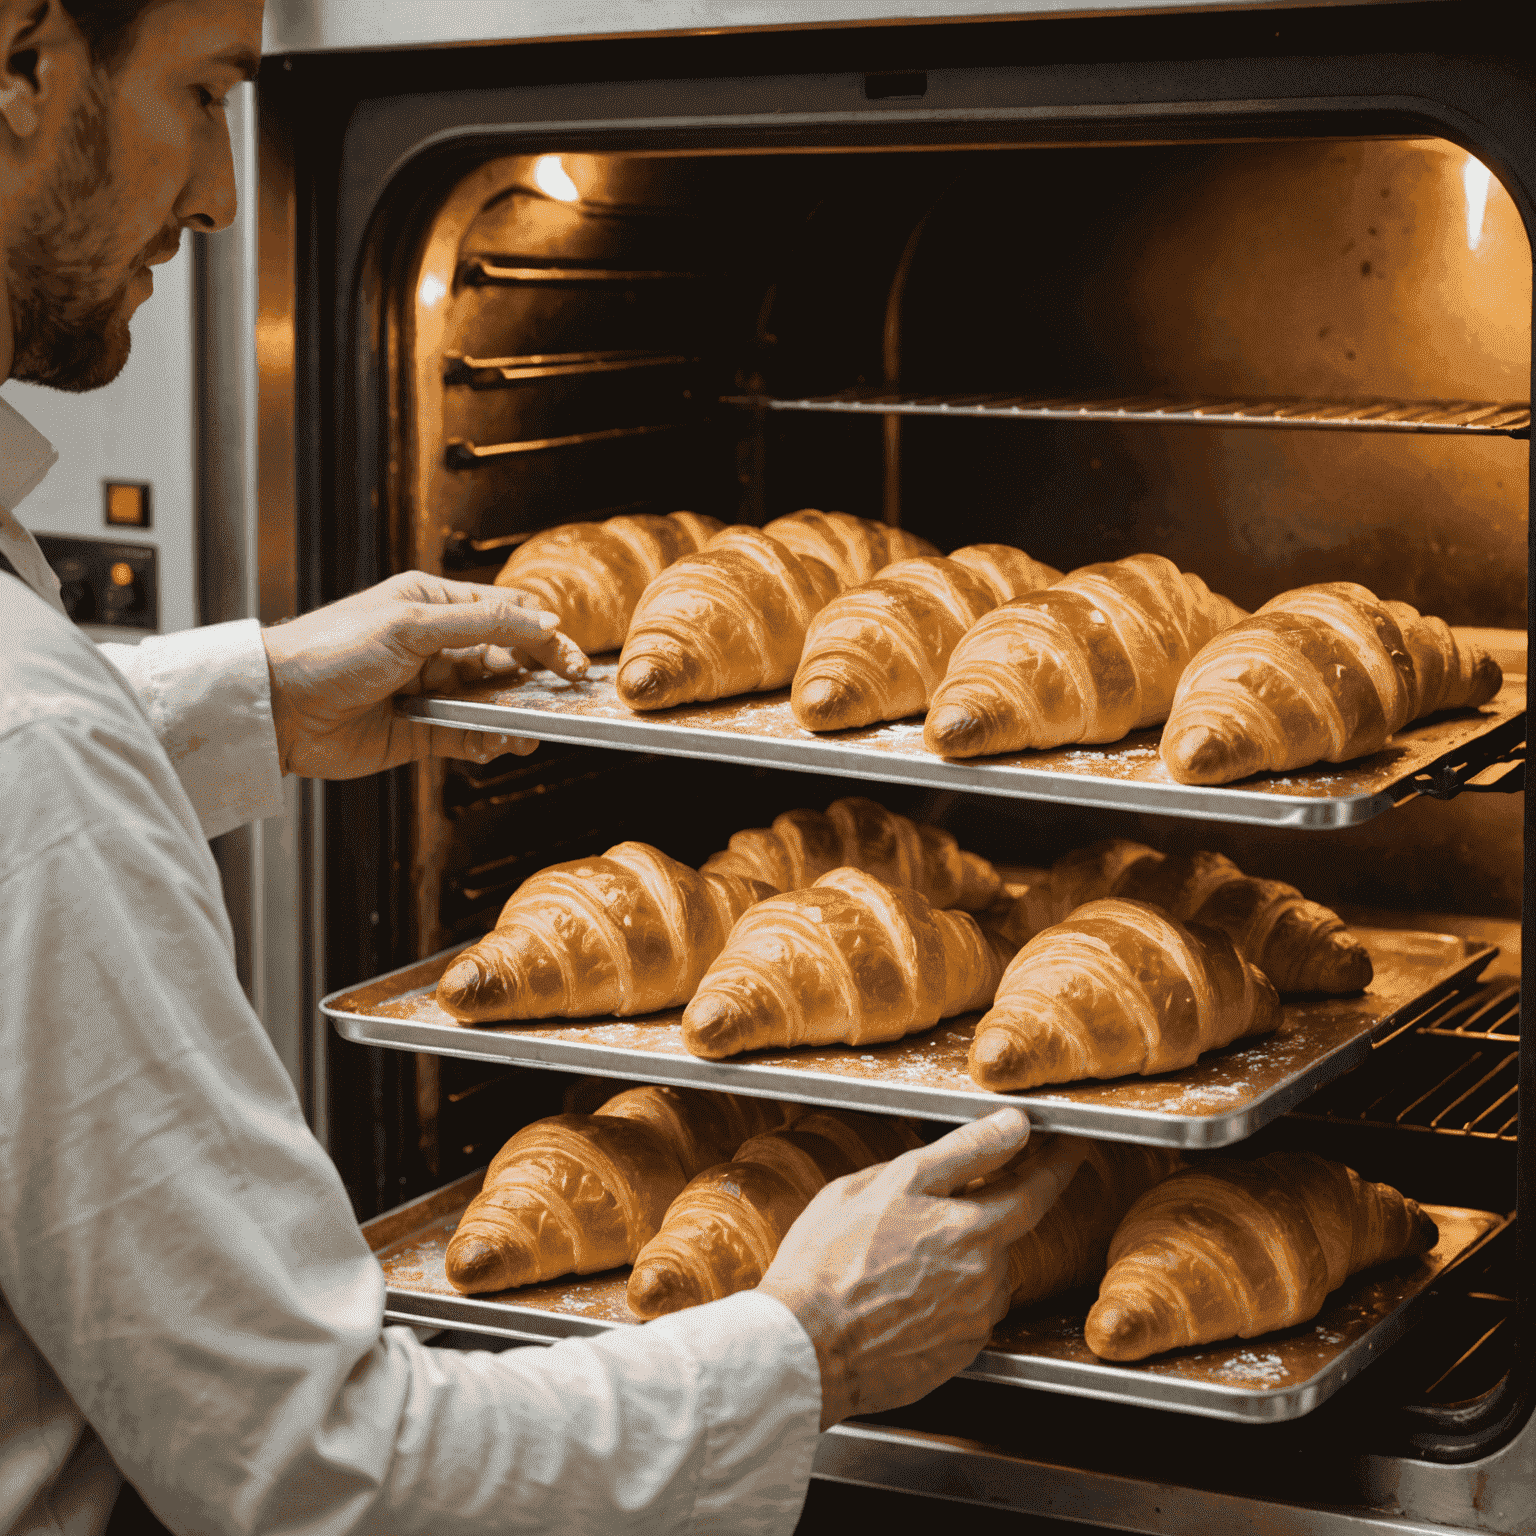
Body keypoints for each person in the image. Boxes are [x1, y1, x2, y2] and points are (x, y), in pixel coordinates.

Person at [0, 2, 1084, 1533]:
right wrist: (810, 1347)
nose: (225, 195)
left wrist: (241, 699)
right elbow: (321, 1481)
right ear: (23, 63)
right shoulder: (31, 740)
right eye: (205, 92)